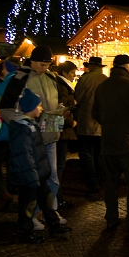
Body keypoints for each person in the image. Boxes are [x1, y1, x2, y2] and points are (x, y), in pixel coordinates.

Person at [0, 46, 67, 229]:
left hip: (50, 135)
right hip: (31, 139)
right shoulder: (21, 78)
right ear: (33, 61)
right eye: (42, 64)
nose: (45, 68)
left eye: (47, 65)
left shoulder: (51, 78)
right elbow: (6, 108)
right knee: (34, 181)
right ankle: (32, 215)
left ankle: (50, 212)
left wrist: (59, 116)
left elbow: (55, 102)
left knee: (52, 176)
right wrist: (22, 126)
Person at [92, 54, 129, 235]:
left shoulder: (103, 87)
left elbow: (95, 113)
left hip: (108, 141)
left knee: (110, 183)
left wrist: (108, 125)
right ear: (126, 67)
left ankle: (111, 218)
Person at [8, 88, 72, 244]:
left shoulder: (31, 123)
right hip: (29, 175)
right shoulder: (23, 128)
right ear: (31, 108)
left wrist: (60, 119)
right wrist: (32, 176)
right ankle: (26, 231)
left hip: (37, 173)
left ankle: (53, 225)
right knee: (28, 204)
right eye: (39, 106)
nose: (42, 108)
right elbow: (25, 155)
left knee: (46, 199)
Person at [0, 58, 21, 210]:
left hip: (2, 132)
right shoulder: (23, 84)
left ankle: (2, 194)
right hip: (19, 131)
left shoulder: (0, 88)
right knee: (15, 163)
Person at [75, 56, 108, 197]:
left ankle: (92, 183)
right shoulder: (106, 80)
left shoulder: (85, 79)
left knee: (86, 153)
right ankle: (102, 180)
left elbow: (78, 97)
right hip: (102, 123)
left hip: (86, 122)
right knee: (99, 154)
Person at [55, 60, 78, 208]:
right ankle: (57, 196)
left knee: (59, 164)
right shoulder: (62, 87)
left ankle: (56, 195)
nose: (74, 76)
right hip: (62, 128)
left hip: (61, 128)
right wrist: (71, 122)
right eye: (72, 73)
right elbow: (62, 106)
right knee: (59, 164)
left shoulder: (61, 85)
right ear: (64, 73)